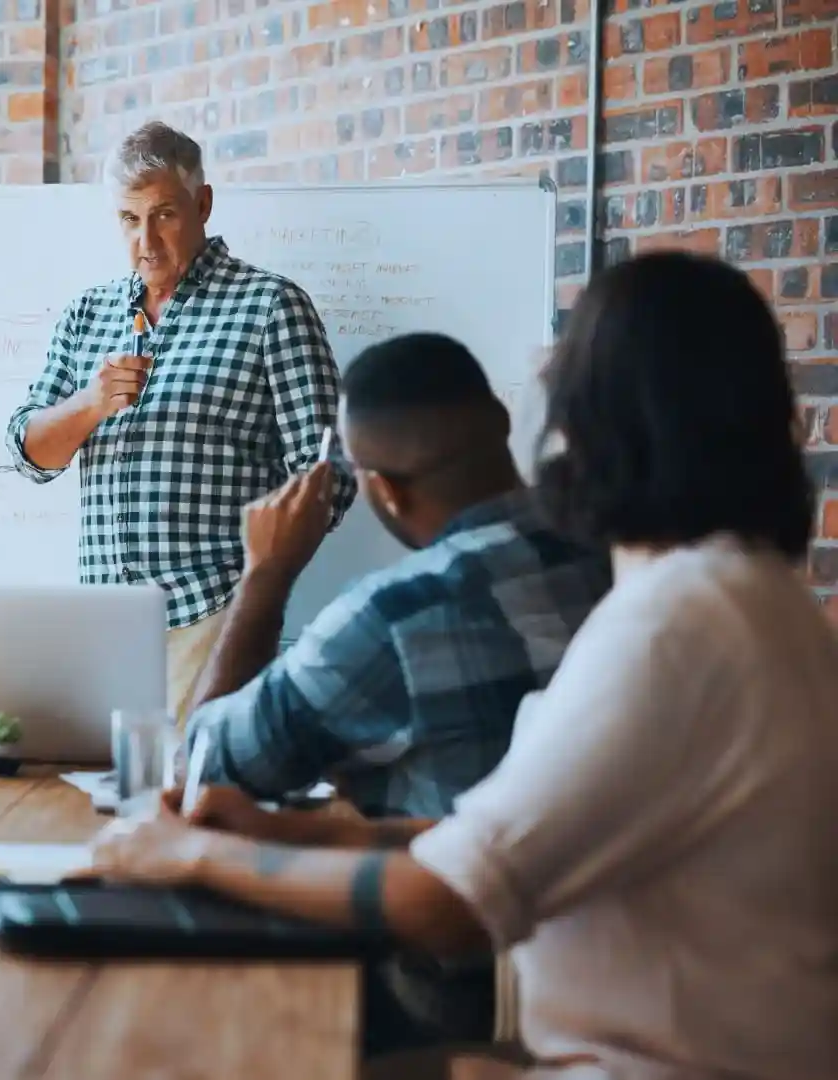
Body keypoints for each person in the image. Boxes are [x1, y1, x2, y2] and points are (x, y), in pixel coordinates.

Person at [92, 251, 838, 1079]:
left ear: (588, 425)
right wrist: (284, 830)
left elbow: (448, 906)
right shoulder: (752, 601)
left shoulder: (674, 628)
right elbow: (503, 830)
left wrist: (193, 855)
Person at [5, 120, 355, 720]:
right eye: (129, 219)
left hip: (211, 615)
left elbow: (330, 478)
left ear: (204, 204)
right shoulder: (87, 315)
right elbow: (28, 455)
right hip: (103, 623)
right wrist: (90, 404)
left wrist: (252, 591)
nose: (146, 240)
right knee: (97, 800)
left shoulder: (270, 306)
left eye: (164, 215)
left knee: (194, 799)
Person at [186, 333, 611, 820]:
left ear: (387, 491)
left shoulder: (392, 617)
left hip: (443, 890)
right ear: (503, 421)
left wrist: (265, 575)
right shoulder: (611, 552)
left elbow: (203, 768)